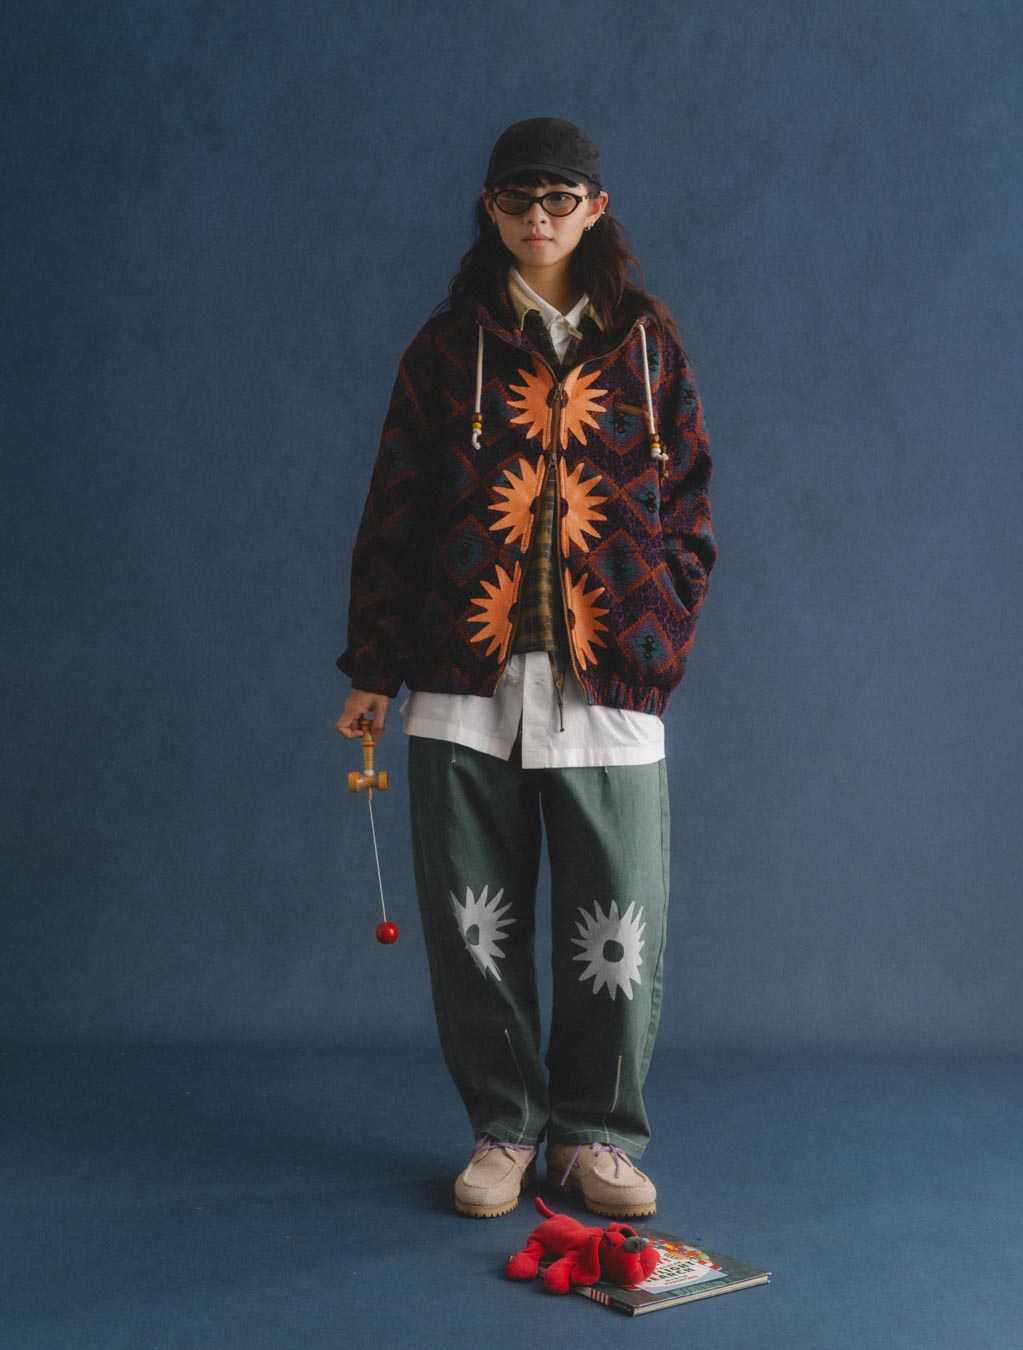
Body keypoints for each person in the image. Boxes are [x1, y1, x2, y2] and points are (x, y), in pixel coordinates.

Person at [335, 117, 715, 1220]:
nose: (538, 218)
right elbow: (395, 513)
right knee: (474, 925)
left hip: (610, 684)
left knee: (618, 920)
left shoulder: (648, 349)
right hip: (465, 684)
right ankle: (505, 1127)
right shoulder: (446, 349)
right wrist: (374, 665)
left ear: (596, 208)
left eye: (559, 199)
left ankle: (594, 1136)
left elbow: (691, 513)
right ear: (490, 209)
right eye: (517, 199)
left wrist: (661, 632)